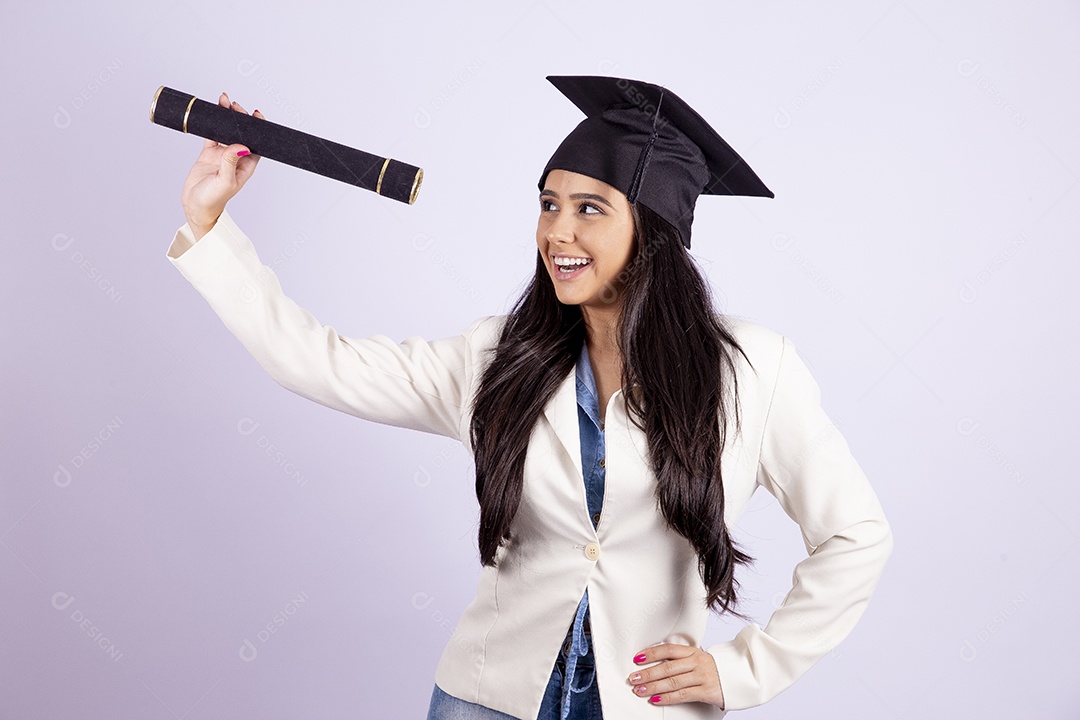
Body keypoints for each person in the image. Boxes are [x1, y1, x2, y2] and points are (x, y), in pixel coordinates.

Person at [166, 76, 892, 719]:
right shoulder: (500, 360)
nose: (558, 231)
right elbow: (319, 363)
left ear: (655, 235)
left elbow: (856, 535)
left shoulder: (750, 371)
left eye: (589, 208)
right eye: (549, 204)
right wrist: (209, 222)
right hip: (485, 701)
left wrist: (742, 671)